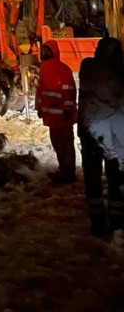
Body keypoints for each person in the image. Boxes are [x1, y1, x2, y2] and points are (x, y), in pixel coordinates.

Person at [78, 36, 124, 237]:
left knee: (92, 177)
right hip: (113, 136)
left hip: (89, 133)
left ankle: (97, 221)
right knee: (116, 177)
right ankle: (116, 221)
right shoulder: (119, 73)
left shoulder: (87, 67)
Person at [35, 39, 77, 183]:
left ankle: (68, 174)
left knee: (65, 146)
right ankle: (64, 171)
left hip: (62, 116)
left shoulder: (62, 69)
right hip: (53, 117)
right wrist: (39, 108)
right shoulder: (46, 68)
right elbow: (40, 90)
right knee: (59, 145)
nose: (44, 52)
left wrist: (67, 108)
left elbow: (69, 90)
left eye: (47, 50)